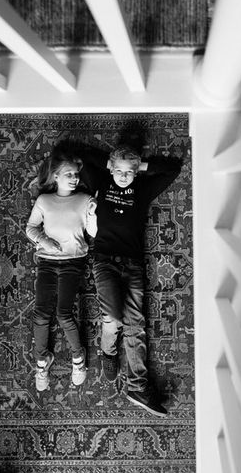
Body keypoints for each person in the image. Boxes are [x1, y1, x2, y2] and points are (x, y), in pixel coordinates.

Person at [80, 144, 181, 417]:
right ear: (111, 168)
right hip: (104, 260)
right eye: (119, 171)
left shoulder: (141, 189)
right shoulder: (101, 179)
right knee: (113, 318)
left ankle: (138, 386)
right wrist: (112, 164)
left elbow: (174, 169)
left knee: (136, 325)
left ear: (136, 174)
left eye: (129, 172)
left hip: (133, 264)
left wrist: (141, 167)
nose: (123, 176)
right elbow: (84, 158)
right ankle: (108, 351)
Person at [26, 152, 97, 391]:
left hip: (72, 262)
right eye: (69, 174)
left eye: (76, 175)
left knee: (64, 313)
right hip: (47, 261)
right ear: (55, 176)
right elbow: (31, 228)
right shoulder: (44, 201)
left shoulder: (85, 199)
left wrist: (93, 213)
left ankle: (78, 359)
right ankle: (41, 360)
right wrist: (45, 242)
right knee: (41, 314)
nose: (74, 178)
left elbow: (93, 233)